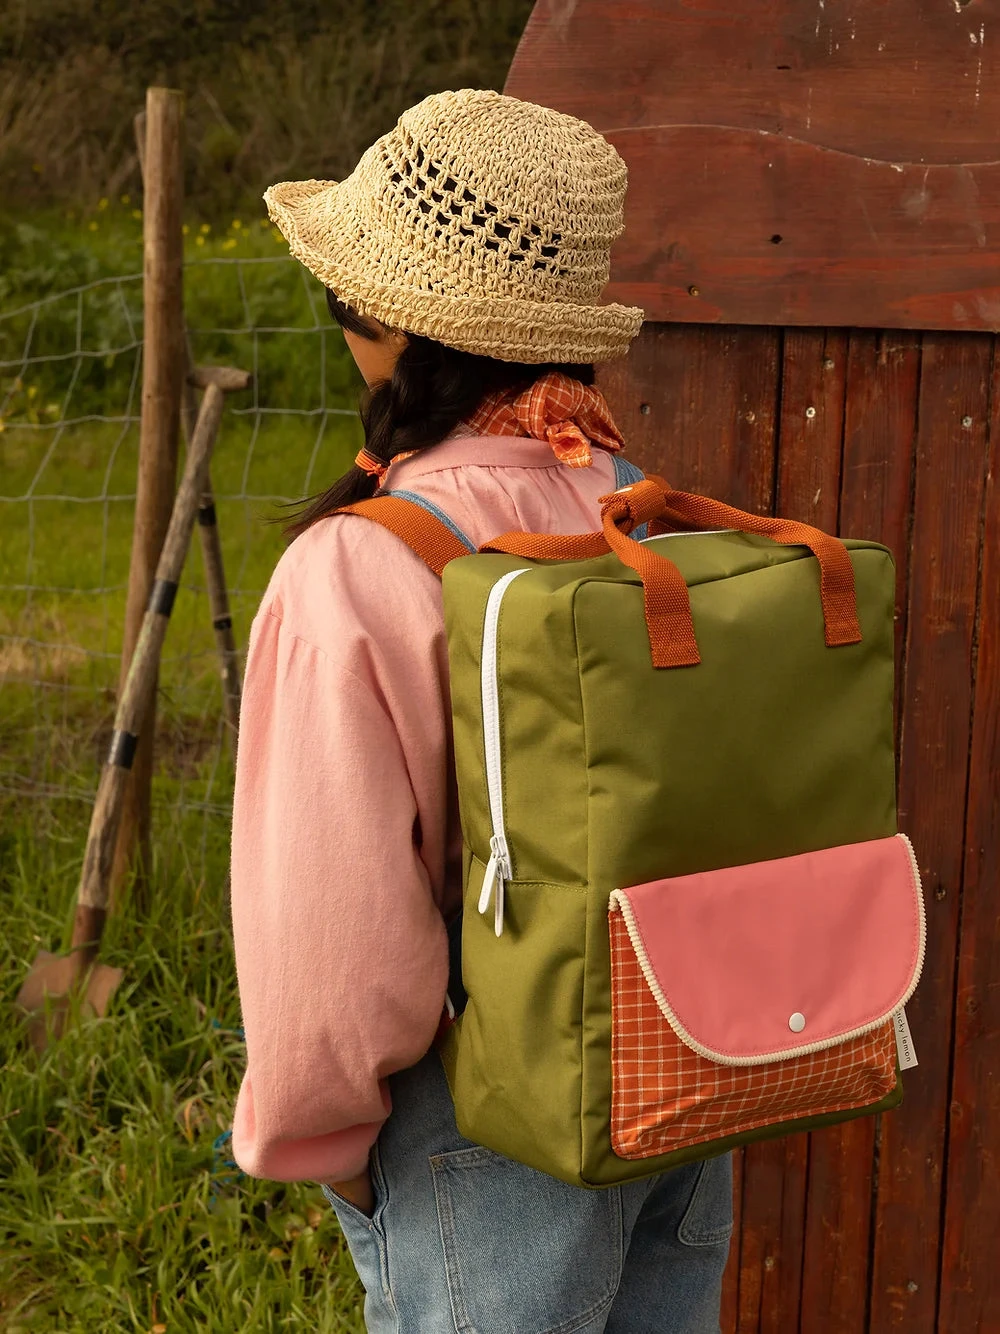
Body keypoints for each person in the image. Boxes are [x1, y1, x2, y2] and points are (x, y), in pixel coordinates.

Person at [230, 88, 733, 1333]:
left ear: (388, 322)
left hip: (478, 1130)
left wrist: (333, 1146)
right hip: (683, 1077)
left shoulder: (361, 565)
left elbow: (334, 950)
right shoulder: (639, 511)